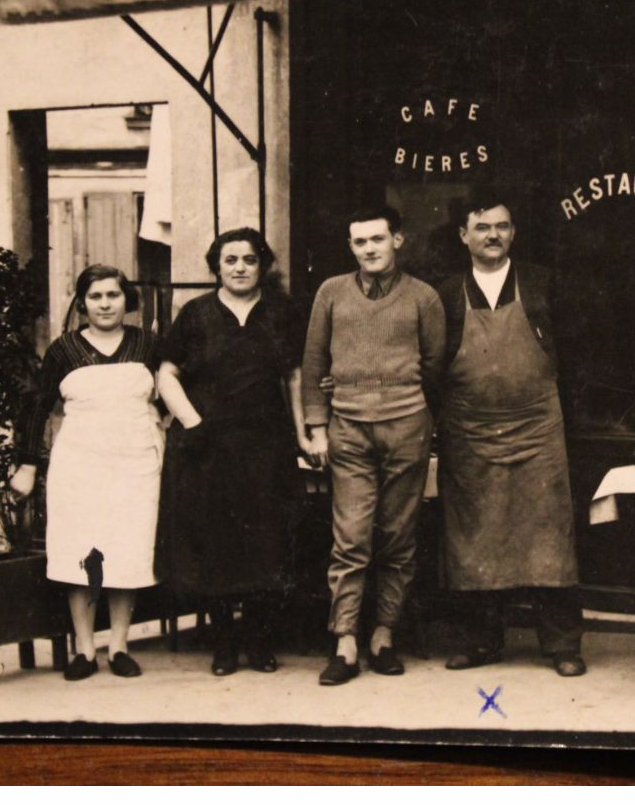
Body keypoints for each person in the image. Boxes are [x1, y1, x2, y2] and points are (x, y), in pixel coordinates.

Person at [437, 190, 586, 678]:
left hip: (538, 427)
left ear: (513, 232)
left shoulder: (544, 284)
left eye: (501, 226)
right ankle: (480, 642)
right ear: (464, 236)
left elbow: (577, 355)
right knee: (473, 538)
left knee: (550, 535)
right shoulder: (444, 293)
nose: (493, 235)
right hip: (469, 430)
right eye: (482, 227)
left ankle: (562, 645)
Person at [300, 205, 446, 685]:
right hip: (349, 429)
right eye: (360, 242)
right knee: (352, 537)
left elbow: (434, 364)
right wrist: (318, 426)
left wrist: (412, 409)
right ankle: (344, 641)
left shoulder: (423, 297)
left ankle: (383, 635)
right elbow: (313, 358)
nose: (369, 249)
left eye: (377, 240)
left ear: (397, 241)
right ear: (351, 246)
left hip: (406, 426)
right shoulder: (331, 293)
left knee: (398, 536)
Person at [156, 228, 311, 676]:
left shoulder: (281, 312)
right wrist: (194, 423)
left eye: (249, 259)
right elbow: (167, 374)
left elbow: (294, 378)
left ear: (262, 265)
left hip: (266, 445)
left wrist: (302, 435)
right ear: (216, 266)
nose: (240, 267)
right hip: (210, 447)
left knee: (267, 545)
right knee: (218, 548)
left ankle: (260, 644)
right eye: (230, 260)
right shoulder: (196, 313)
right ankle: (224, 646)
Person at [9, 264, 164, 682]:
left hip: (135, 464)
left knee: (126, 552)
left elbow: (169, 400)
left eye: (113, 295)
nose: (105, 304)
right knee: (83, 551)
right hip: (80, 464)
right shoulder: (63, 350)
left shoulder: (148, 344)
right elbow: (39, 408)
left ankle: (118, 646)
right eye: (95, 297)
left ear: (126, 299)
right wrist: (27, 465)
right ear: (82, 304)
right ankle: (84, 649)